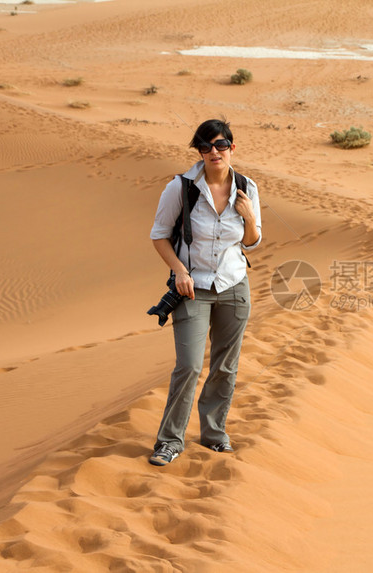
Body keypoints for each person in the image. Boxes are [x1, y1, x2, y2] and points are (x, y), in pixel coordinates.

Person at [148, 119, 261, 466]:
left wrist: (248, 217)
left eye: (221, 144)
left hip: (233, 285)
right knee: (190, 365)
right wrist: (179, 271)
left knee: (225, 367)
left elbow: (253, 242)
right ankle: (169, 441)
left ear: (232, 147)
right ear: (199, 151)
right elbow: (159, 235)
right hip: (192, 288)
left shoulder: (246, 187)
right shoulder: (180, 188)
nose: (214, 152)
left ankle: (213, 434)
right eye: (206, 146)